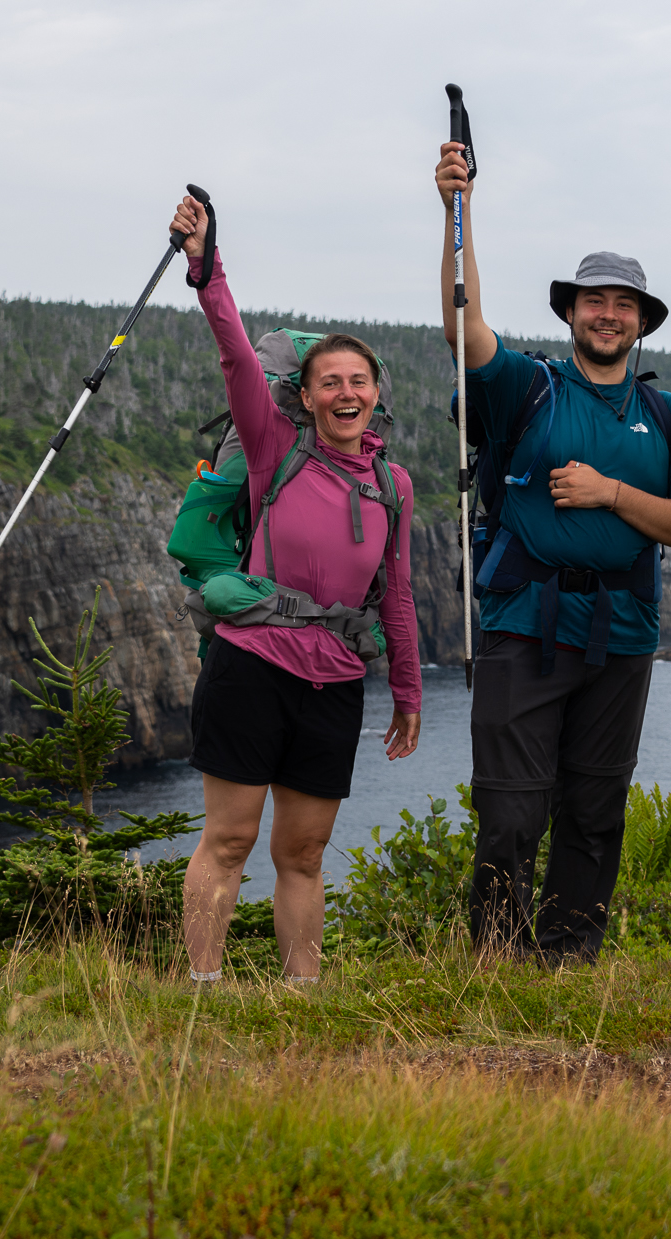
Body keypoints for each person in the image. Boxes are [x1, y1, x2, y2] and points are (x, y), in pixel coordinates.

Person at [433, 141, 671, 964]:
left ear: (641, 320)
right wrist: (457, 213)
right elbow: (464, 323)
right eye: (594, 300)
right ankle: (495, 959)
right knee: (514, 809)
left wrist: (612, 494)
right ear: (571, 313)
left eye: (622, 304)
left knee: (595, 810)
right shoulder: (527, 386)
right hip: (526, 625)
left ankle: (567, 959)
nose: (608, 314)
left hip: (623, 635)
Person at [170, 193, 423, 987]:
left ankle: (300, 998)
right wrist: (208, 266)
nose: (347, 393)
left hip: (335, 681)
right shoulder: (274, 442)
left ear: (377, 393)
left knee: (303, 852)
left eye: (360, 381)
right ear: (307, 397)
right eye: (331, 382)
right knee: (231, 840)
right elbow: (237, 356)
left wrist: (408, 692)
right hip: (252, 663)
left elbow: (400, 595)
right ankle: (202, 993)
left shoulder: (394, 483)